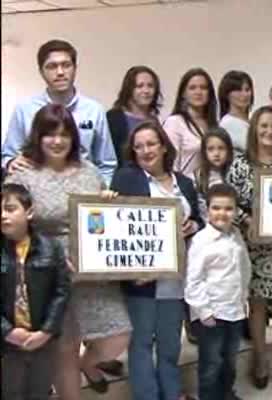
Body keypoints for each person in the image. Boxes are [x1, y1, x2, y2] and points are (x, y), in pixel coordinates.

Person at [5, 103, 132, 399]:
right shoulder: (22, 173)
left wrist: (107, 198)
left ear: (74, 137)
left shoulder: (88, 170)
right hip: (46, 273)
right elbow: (12, 224)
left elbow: (99, 214)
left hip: (93, 269)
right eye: (50, 134)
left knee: (118, 336)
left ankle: (90, 364)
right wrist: (52, 259)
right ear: (37, 136)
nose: (57, 140)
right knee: (64, 350)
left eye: (64, 134)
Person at [110, 120, 203, 400]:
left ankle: (172, 393)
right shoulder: (126, 179)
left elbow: (198, 216)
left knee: (170, 345)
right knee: (140, 344)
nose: (145, 150)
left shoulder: (184, 183)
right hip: (142, 279)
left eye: (151, 143)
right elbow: (115, 221)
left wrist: (194, 226)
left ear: (164, 146)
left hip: (175, 279)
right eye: (138, 146)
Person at [226, 106, 272, 392]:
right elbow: (228, 204)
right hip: (252, 246)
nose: (270, 132)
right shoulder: (240, 164)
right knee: (255, 306)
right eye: (264, 126)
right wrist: (248, 221)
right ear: (254, 129)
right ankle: (260, 361)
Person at [2, 39, 116, 183]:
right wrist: (9, 162)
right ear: (41, 72)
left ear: (75, 68)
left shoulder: (94, 110)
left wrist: (98, 193)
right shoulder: (24, 110)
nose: (60, 72)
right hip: (36, 191)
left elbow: (107, 164)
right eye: (52, 66)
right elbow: (8, 155)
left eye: (66, 65)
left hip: (81, 191)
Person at [1, 183, 71, 400]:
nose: (3, 216)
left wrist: (46, 331)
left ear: (29, 212)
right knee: (11, 391)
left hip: (42, 338)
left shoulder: (51, 248)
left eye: (10, 209)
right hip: (7, 342)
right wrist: (7, 331)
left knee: (40, 390)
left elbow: (61, 292)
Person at [185, 183, 252, 400]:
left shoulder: (237, 235)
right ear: (207, 210)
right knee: (211, 363)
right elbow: (193, 280)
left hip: (235, 310)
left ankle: (226, 393)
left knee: (230, 359)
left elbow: (244, 268)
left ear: (235, 211)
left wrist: (244, 298)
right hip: (211, 315)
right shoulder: (201, 241)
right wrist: (204, 312)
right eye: (216, 208)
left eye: (228, 208)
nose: (222, 213)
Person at [164, 68, 218, 177]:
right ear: (183, 93)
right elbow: (170, 164)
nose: (198, 92)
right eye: (192, 88)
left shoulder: (214, 125)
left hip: (212, 187)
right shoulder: (175, 123)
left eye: (203, 88)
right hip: (186, 188)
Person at [107, 65, 163, 165]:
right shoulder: (113, 118)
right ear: (129, 89)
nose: (146, 91)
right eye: (139, 86)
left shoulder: (154, 120)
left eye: (150, 86)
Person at [192, 128, 234, 223]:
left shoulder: (233, 173)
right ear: (204, 151)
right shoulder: (198, 176)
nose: (216, 154)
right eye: (211, 149)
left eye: (221, 148)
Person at [218, 70, 254, 154]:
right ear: (226, 94)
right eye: (238, 90)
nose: (244, 94)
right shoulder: (228, 123)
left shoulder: (252, 121)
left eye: (247, 89)